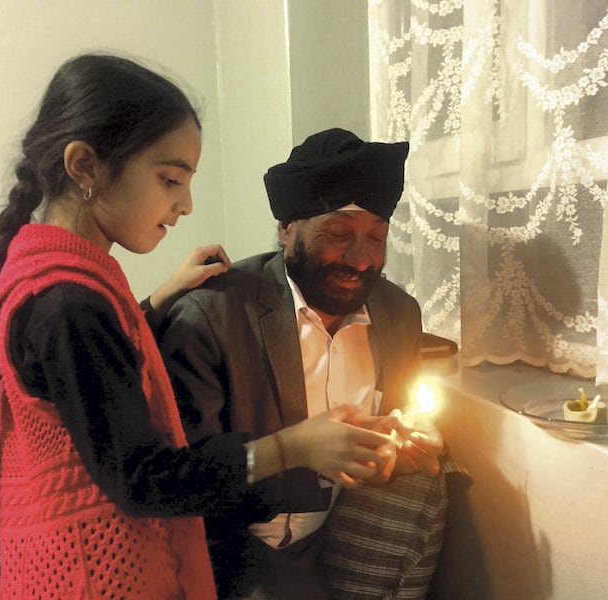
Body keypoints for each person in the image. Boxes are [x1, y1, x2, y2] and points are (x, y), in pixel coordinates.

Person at [0, 56, 395, 599]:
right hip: (98, 575)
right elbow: (145, 479)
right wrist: (292, 447)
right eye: (170, 178)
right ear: (84, 166)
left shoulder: (59, 276)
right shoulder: (71, 303)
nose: (185, 204)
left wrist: (153, 300)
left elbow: (90, 375)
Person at [158, 127, 454, 599]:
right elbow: (182, 478)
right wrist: (295, 452)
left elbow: (392, 431)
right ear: (286, 228)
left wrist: (410, 445)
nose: (361, 259)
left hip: (330, 543)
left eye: (377, 237)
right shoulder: (213, 314)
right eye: (338, 233)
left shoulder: (398, 316)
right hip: (223, 552)